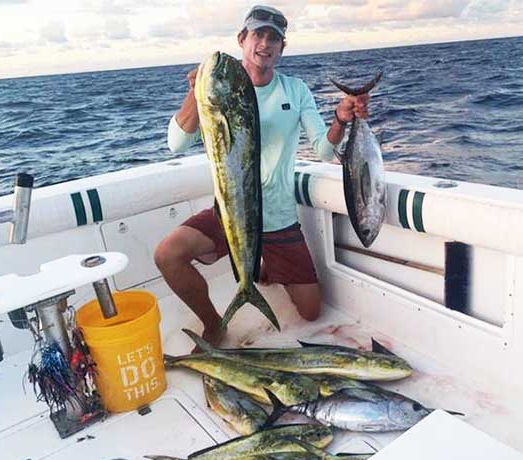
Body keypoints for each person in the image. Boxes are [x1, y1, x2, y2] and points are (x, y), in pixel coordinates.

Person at [154, 5, 370, 347]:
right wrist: (197, 94)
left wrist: (341, 118)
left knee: (311, 311)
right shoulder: (219, 88)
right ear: (243, 39)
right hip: (230, 213)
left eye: (274, 38)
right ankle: (214, 324)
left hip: (279, 217)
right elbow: (176, 144)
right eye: (258, 34)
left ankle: (262, 265)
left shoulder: (295, 90)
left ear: (282, 48)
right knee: (167, 254)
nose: (265, 44)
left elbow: (324, 151)